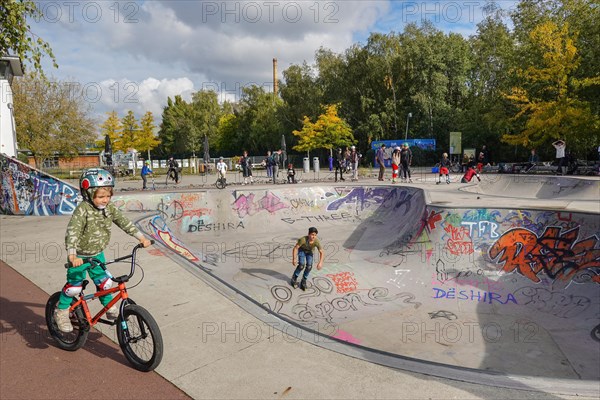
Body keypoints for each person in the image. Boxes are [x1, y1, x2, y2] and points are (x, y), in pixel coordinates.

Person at [54, 168, 152, 333]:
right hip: (79, 256)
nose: (105, 200)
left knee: (104, 283)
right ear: (88, 194)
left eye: (108, 196)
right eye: (101, 196)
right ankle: (61, 311)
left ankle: (109, 307)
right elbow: (73, 231)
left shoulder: (109, 208)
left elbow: (123, 221)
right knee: (74, 287)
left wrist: (141, 238)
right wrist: (72, 254)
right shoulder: (83, 209)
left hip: (97, 254)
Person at [290, 227, 325, 291]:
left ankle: (303, 280)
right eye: (312, 235)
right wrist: (294, 259)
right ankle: (294, 278)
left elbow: (322, 252)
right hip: (302, 251)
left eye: (315, 235)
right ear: (308, 234)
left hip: (309, 252)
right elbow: (295, 248)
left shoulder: (316, 241)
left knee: (309, 266)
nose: (313, 237)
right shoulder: (303, 239)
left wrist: (320, 262)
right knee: (301, 265)